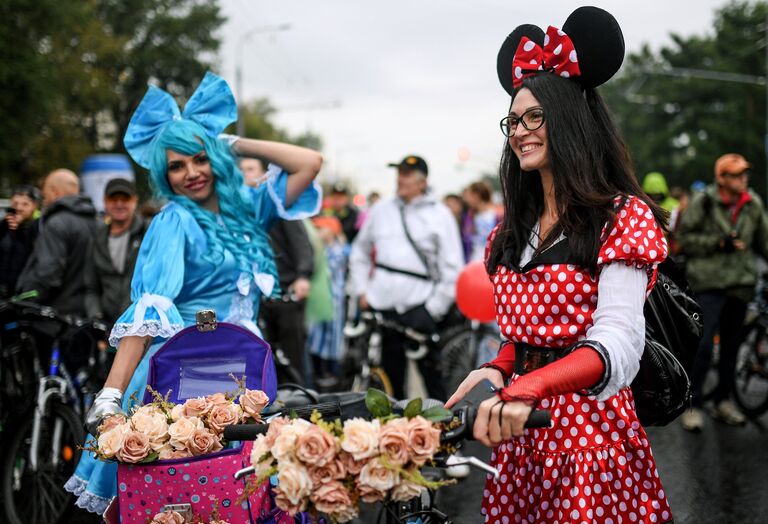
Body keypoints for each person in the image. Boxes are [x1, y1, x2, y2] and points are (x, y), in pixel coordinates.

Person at [445, 8, 673, 522]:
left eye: (534, 118)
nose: (520, 131)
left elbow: (618, 340)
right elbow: (530, 333)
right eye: (514, 120)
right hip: (518, 434)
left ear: (567, 122)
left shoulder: (620, 217)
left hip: (588, 439)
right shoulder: (512, 228)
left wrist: (530, 386)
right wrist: (498, 366)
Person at [65, 72, 322, 514]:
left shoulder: (246, 210)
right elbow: (149, 311)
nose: (191, 174)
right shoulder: (175, 221)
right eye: (177, 166)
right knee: (162, 503)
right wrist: (110, 395)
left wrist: (228, 142)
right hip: (180, 378)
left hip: (245, 375)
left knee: (239, 499)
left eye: (199, 159)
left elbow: (308, 162)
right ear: (165, 176)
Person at [349, 154, 464, 401]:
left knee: (433, 380)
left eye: (407, 175)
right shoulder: (380, 210)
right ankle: (396, 435)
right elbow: (359, 251)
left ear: (422, 182)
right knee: (389, 384)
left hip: (420, 307)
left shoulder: (440, 215)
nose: (400, 179)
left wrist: (433, 309)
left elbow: (452, 268)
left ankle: (444, 432)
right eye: (399, 173)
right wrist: (362, 291)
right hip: (383, 308)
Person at [676, 153, 768, 431]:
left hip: (740, 285)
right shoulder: (703, 202)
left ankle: (723, 401)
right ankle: (693, 405)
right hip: (709, 285)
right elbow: (683, 240)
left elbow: (764, 241)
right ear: (722, 178)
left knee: (731, 348)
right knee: (703, 347)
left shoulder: (753, 204)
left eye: (744, 174)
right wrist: (718, 243)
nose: (743, 179)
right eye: (736, 174)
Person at [16, 169, 97, 316]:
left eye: (45, 193)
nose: (44, 199)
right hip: (90, 317)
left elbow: (47, 274)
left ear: (55, 192)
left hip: (57, 319)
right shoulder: (97, 223)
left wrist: (22, 302)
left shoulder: (56, 223)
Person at [84, 178, 150, 328]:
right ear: (105, 202)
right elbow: (91, 288)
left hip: (143, 326)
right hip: (107, 329)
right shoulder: (96, 239)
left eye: (125, 199)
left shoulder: (148, 232)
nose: (119, 204)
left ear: (135, 201)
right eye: (114, 199)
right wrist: (96, 317)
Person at [0, 185, 41, 297]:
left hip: (24, 293)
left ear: (34, 206)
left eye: (25, 204)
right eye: (15, 204)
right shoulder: (5, 227)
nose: (19, 208)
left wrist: (19, 230)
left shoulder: (38, 227)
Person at [463, 180, 501, 261]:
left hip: (491, 262)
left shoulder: (497, 215)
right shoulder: (469, 217)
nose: (467, 200)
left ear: (476, 195)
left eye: (469, 195)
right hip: (473, 262)